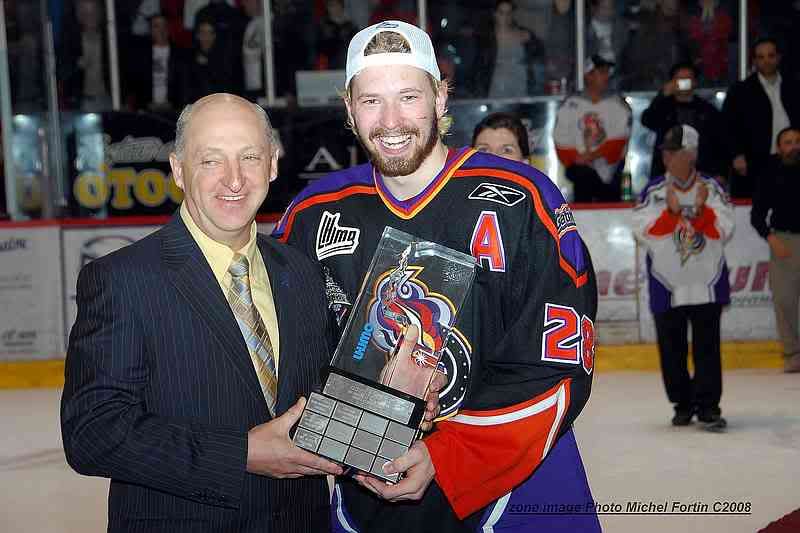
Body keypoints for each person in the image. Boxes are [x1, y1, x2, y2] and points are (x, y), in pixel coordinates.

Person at [274, 20, 600, 532]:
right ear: (348, 109)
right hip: (367, 491)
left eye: (409, 96)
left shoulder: (525, 200)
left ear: (441, 98)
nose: (391, 120)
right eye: (371, 101)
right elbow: (288, 357)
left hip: (517, 490)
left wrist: (449, 454)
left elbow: (562, 360)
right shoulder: (311, 213)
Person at [60, 93, 347, 532]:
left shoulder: (304, 273)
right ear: (177, 169)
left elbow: (324, 396)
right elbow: (91, 433)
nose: (233, 180)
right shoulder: (121, 280)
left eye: (249, 157)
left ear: (272, 163)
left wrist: (396, 391)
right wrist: (241, 454)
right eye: (210, 160)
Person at [632, 124, 734, 432]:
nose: (668, 156)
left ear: (691, 154)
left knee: (707, 348)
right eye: (666, 151)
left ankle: (708, 407)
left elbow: (724, 230)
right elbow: (643, 231)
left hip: (707, 281)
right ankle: (682, 404)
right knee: (671, 349)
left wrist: (701, 209)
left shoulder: (712, 189)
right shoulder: (654, 191)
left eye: (675, 151)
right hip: (667, 283)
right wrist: (671, 213)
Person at [722, 38, 800, 199]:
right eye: (761, 57)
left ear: (778, 58)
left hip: (792, 159)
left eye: (771, 56)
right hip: (754, 163)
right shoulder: (740, 91)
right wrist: (736, 154)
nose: (766, 61)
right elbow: (728, 127)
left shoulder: (794, 86)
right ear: (755, 61)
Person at [750, 127, 800, 373]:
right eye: (788, 142)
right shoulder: (770, 173)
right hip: (784, 243)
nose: (794, 146)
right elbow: (757, 214)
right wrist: (771, 238)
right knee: (785, 301)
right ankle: (792, 355)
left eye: (798, 141)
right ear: (779, 148)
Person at [554, 54, 632, 202]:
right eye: (601, 72)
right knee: (583, 177)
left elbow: (620, 140)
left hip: (611, 169)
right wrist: (576, 159)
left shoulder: (618, 104)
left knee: (610, 209)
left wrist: (592, 156)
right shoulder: (571, 104)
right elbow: (561, 139)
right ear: (588, 75)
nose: (606, 76)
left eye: (607, 72)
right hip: (580, 169)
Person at [641, 62, 725, 179]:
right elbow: (647, 121)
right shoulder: (664, 107)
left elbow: (719, 141)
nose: (684, 84)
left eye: (688, 79)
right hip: (666, 172)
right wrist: (662, 95)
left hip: (701, 172)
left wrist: (720, 172)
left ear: (695, 82)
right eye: (679, 80)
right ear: (672, 82)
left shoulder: (707, 110)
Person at [474, 0, 544, 98]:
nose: (506, 17)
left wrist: (531, 41)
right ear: (495, 14)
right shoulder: (487, 37)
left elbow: (538, 56)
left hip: (521, 81)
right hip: (498, 84)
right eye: (502, 13)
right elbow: (480, 65)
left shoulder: (523, 33)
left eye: (509, 13)